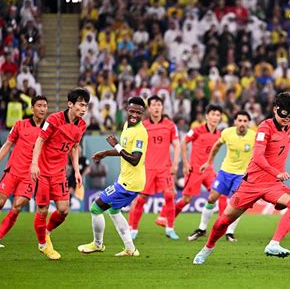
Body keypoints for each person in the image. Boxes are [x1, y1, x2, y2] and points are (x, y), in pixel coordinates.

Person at [193, 92, 290, 264]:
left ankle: (274, 244)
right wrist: (276, 172)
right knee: (222, 222)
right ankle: (207, 248)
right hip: (252, 184)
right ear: (275, 110)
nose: (286, 118)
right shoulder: (265, 128)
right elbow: (258, 157)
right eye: (283, 114)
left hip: (272, 185)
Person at [77, 97, 148, 257]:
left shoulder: (140, 132)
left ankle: (97, 244)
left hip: (129, 183)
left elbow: (135, 159)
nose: (134, 115)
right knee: (114, 211)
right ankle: (130, 249)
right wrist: (105, 153)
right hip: (126, 179)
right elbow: (124, 150)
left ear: (143, 113)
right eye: (132, 111)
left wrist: (115, 145)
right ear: (126, 110)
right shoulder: (127, 126)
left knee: (96, 208)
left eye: (138, 112)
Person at [0, 96, 48, 248]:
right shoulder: (20, 124)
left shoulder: (49, 129)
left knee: (17, 207)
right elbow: (8, 144)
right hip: (13, 171)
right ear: (32, 109)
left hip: (30, 176)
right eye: (39, 105)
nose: (43, 109)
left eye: (45, 106)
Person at [30, 88, 90, 260]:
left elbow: (75, 147)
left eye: (86, 105)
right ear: (70, 104)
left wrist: (77, 171)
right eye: (80, 105)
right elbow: (40, 140)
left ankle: (46, 232)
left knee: (64, 210)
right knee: (43, 208)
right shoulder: (54, 119)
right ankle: (43, 245)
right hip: (42, 171)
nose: (84, 109)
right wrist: (34, 164)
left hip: (59, 172)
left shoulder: (82, 125)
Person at [188, 110, 256, 242]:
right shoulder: (227, 133)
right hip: (225, 172)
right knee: (211, 198)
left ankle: (229, 232)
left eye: (245, 121)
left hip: (242, 175)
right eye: (240, 120)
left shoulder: (254, 136)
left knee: (237, 204)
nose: (242, 123)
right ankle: (202, 229)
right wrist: (208, 162)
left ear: (248, 123)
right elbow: (217, 146)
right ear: (235, 121)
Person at [156, 104, 223, 229]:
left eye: (218, 115)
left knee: (219, 192)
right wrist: (186, 163)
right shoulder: (197, 130)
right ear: (207, 116)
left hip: (208, 170)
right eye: (213, 114)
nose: (215, 117)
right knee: (186, 199)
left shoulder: (219, 134)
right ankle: (167, 217)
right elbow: (183, 142)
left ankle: (223, 225)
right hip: (194, 171)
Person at [128, 95, 181, 240]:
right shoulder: (143, 125)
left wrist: (175, 164)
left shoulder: (170, 125)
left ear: (162, 107)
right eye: (154, 105)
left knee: (170, 196)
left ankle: (170, 228)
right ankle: (133, 229)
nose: (157, 107)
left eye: (159, 104)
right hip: (147, 168)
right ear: (149, 108)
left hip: (165, 168)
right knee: (141, 199)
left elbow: (176, 145)